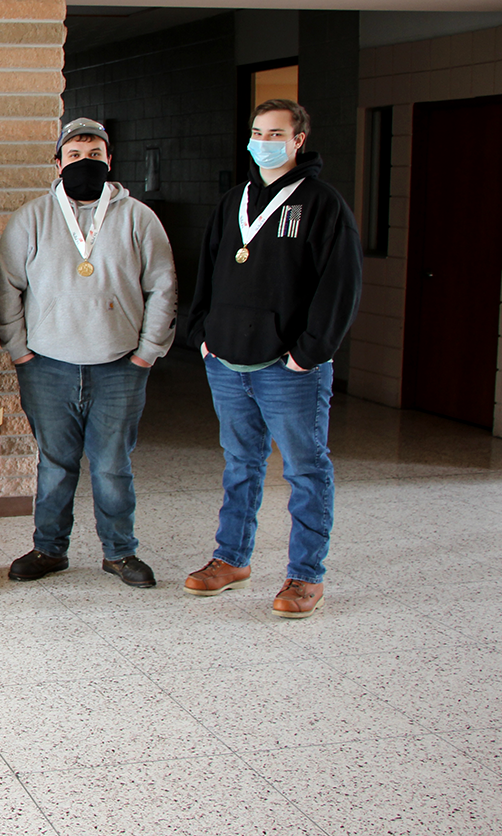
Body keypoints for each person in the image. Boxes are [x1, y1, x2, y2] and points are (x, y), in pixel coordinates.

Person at [184, 98, 362, 619]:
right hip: (227, 362)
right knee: (240, 464)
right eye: (258, 132)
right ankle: (232, 559)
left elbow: (341, 287)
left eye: (276, 133)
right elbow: (209, 269)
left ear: (298, 140)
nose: (265, 141)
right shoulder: (233, 200)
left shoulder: (323, 204)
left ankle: (306, 576)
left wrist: (308, 354)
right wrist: (201, 334)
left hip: (289, 369)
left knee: (306, 469)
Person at [0, 118, 177, 589]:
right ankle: (49, 549)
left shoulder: (139, 217)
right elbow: (6, 289)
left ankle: (119, 553)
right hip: (47, 366)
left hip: (119, 366)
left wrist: (147, 353)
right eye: (74, 155)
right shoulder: (31, 217)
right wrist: (19, 351)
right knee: (55, 464)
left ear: (109, 161)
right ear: (57, 163)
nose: (85, 162)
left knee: (113, 465)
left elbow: (163, 286)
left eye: (94, 154)